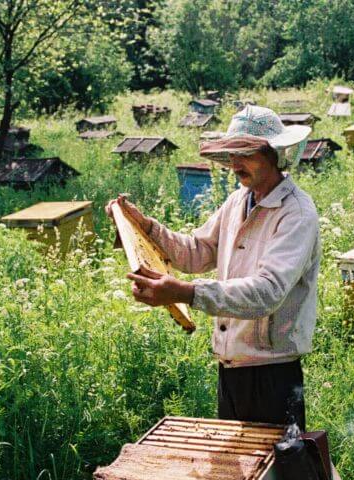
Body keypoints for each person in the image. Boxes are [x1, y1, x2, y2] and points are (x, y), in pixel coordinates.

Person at [106, 105, 320, 430]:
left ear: (273, 153)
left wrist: (185, 293)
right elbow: (197, 252)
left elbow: (267, 292)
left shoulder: (296, 214)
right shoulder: (238, 201)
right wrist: (147, 228)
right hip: (230, 368)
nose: (234, 164)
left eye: (244, 154)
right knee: (237, 471)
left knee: (279, 474)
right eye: (231, 155)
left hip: (272, 374)